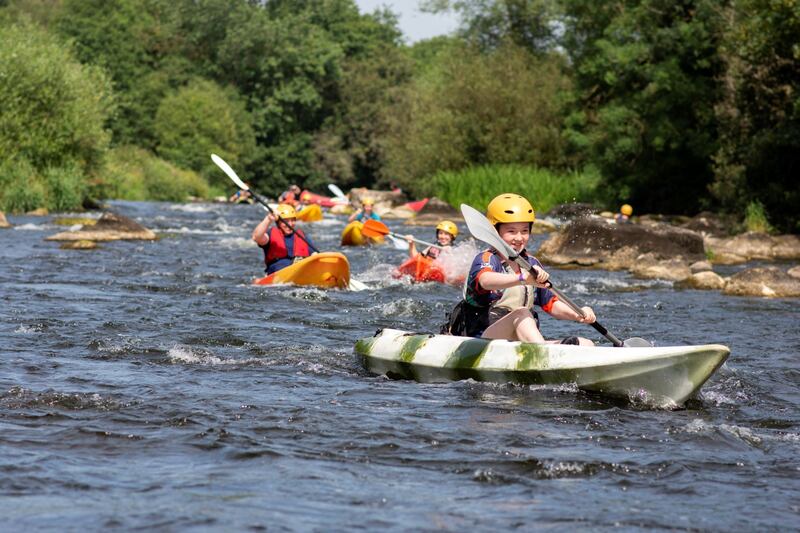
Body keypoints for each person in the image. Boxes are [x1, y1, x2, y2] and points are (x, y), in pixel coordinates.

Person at [458, 193, 597, 345]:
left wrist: (578, 314)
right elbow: (485, 280)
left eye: (524, 231)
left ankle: (543, 354)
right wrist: (521, 278)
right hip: (481, 341)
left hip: (519, 342)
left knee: (584, 343)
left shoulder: (531, 262)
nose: (519, 238)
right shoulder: (487, 259)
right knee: (522, 313)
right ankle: (544, 357)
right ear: (495, 231)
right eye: (511, 231)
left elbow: (550, 303)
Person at [251, 204, 316, 274]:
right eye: (286, 221)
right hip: (278, 274)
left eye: (293, 220)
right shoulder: (271, 234)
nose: (290, 224)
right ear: (278, 222)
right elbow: (256, 237)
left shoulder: (302, 236)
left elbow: (314, 254)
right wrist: (268, 219)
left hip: (300, 271)